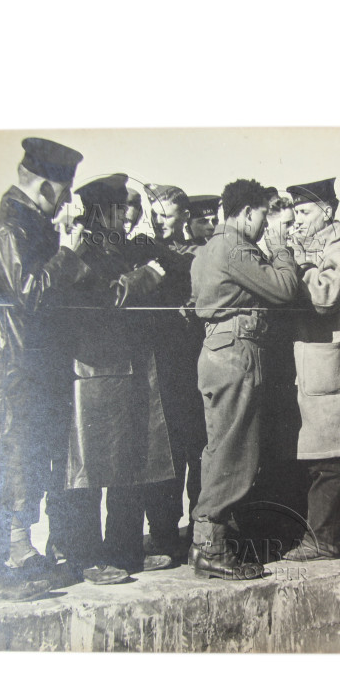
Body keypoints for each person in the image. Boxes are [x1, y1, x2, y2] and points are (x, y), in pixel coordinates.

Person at [45, 174, 175, 584]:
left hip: (124, 369)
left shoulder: (112, 247)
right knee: (88, 469)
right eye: (120, 210)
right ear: (101, 211)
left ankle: (125, 551)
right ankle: (87, 558)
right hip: (96, 372)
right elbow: (105, 297)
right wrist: (145, 278)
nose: (127, 217)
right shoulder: (86, 248)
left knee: (130, 462)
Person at [0, 136, 83, 602]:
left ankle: (13, 552)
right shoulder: (4, 229)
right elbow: (32, 292)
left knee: (22, 462)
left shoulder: (24, 226)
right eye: (62, 191)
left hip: (21, 365)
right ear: (42, 187)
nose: (68, 202)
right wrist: (69, 254)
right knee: (1, 462)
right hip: (3, 369)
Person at [189, 178, 299, 579]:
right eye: (262, 217)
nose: (263, 225)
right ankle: (210, 548)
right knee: (235, 452)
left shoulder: (207, 250)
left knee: (222, 447)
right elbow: (284, 290)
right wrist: (282, 249)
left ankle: (210, 542)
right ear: (249, 212)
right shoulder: (235, 247)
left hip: (220, 352)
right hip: (237, 354)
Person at [278, 179, 340, 560]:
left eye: (304, 213)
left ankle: (322, 541)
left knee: (332, 458)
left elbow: (323, 296)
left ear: (329, 211)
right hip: (325, 365)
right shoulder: (323, 247)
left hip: (339, 366)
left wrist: (294, 268)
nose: (297, 221)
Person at [135, 185, 207, 561]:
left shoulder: (200, 253)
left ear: (183, 216)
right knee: (163, 452)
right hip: (157, 366)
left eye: (168, 215)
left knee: (197, 447)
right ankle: (162, 533)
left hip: (193, 362)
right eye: (156, 214)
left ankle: (199, 529)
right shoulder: (144, 249)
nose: (160, 221)